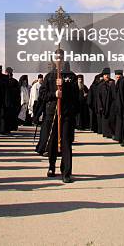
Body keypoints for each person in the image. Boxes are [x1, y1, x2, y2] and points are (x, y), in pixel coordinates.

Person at [40, 54, 79, 183]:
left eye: (61, 58)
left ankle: (66, 172)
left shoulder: (71, 76)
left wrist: (64, 88)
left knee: (66, 142)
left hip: (66, 114)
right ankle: (51, 166)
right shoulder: (49, 76)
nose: (59, 61)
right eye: (56, 58)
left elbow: (76, 95)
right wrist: (54, 94)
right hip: (53, 114)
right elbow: (43, 95)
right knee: (52, 142)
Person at [98, 68, 114, 138]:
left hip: (112, 106)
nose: (106, 76)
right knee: (105, 120)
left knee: (112, 120)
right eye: (105, 75)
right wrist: (100, 106)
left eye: (107, 74)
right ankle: (106, 133)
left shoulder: (113, 83)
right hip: (104, 106)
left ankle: (112, 133)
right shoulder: (100, 85)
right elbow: (98, 97)